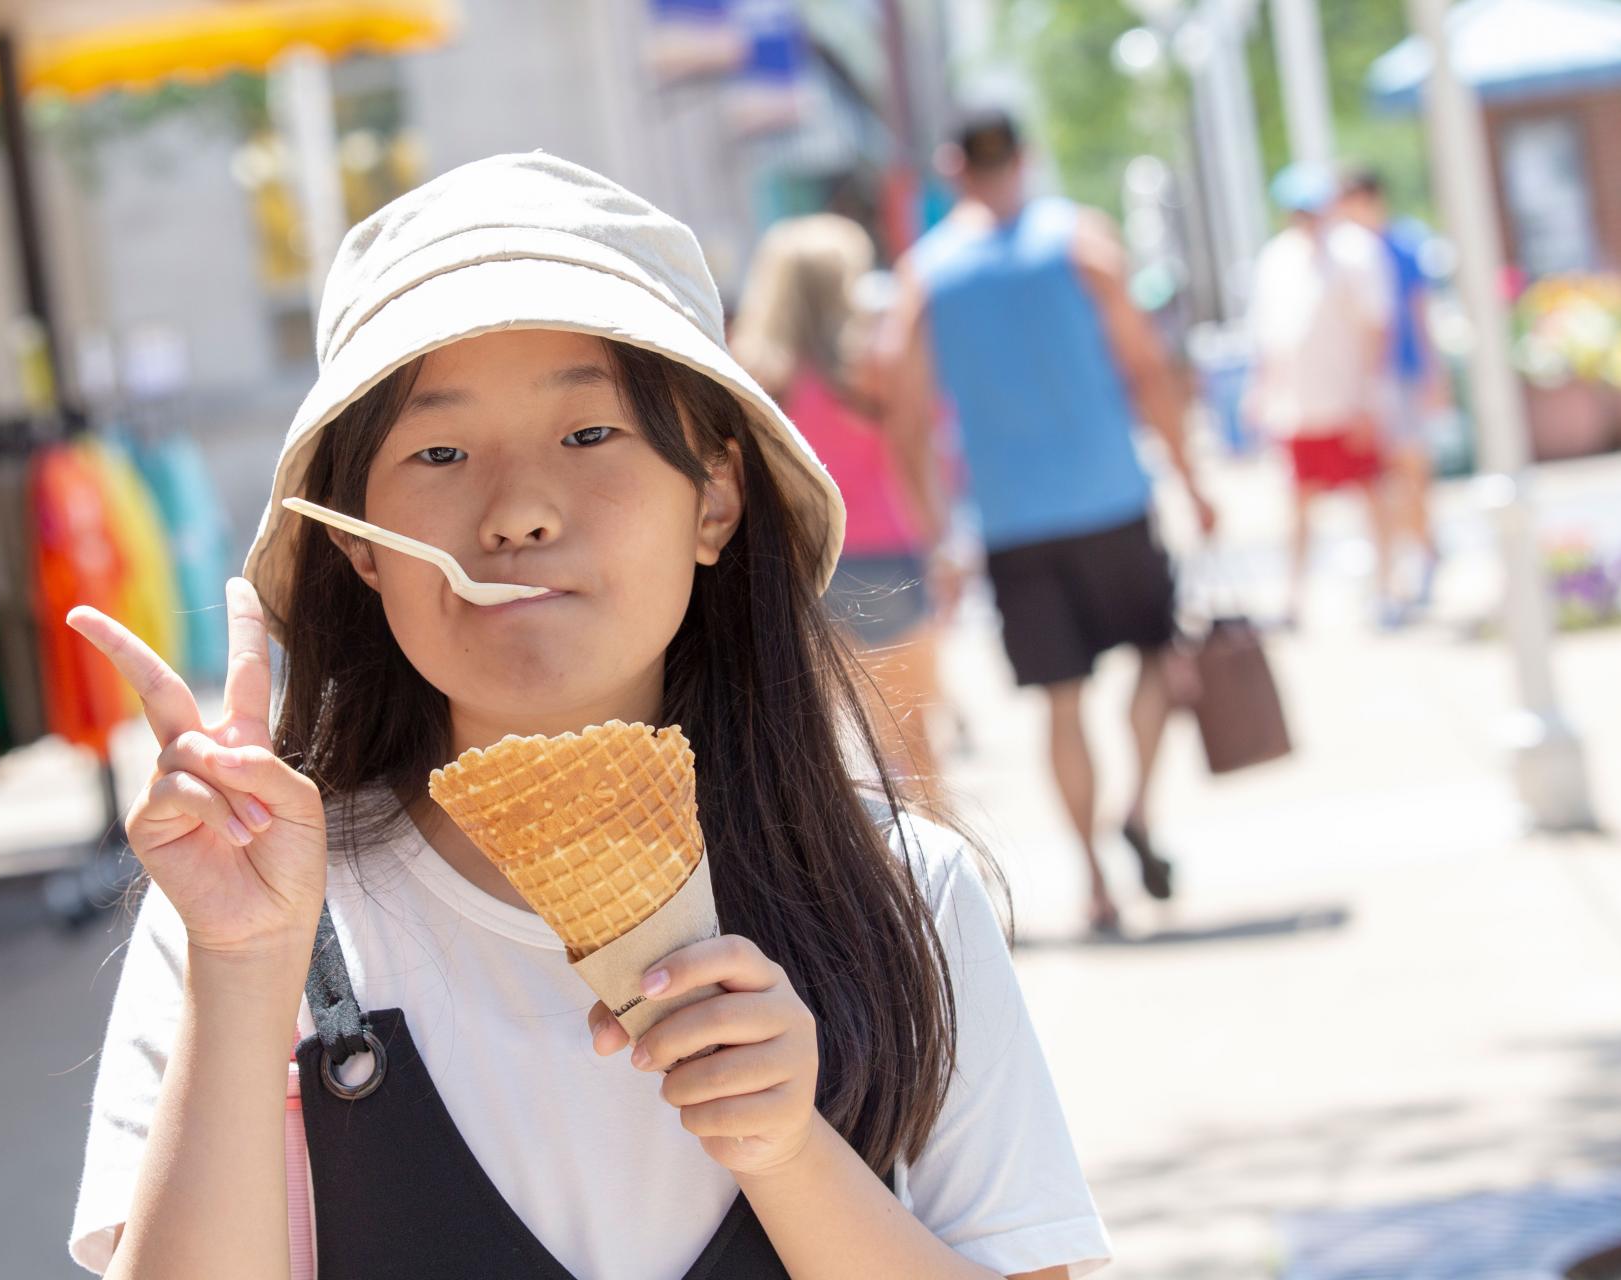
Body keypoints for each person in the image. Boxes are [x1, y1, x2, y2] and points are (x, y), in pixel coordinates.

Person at [63, 154, 1112, 1279]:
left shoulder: (901, 894)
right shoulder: (246, 911)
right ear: (360, 544)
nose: (517, 511)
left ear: (715, 497)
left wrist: (791, 1151)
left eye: (589, 435)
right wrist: (240, 965)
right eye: (439, 452)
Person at [884, 107, 1215, 938]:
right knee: (1158, 657)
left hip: (1012, 523)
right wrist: (1191, 476)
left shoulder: (927, 276)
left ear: (953, 167)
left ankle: (1094, 880)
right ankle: (1137, 809)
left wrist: (936, 532)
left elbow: (906, 416)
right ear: (1025, 157)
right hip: (1113, 499)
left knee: (1061, 704)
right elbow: (1146, 368)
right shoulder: (1083, 243)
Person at [730, 213, 944, 786]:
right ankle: (930, 843)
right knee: (913, 742)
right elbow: (919, 450)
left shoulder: (750, 376)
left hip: (793, 562)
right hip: (885, 555)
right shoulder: (874, 364)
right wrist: (942, 543)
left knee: (818, 757)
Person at [1244, 162, 1398, 628]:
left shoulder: (1356, 252)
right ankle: (1293, 598)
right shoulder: (1276, 259)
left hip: (1349, 400)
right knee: (1297, 504)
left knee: (1371, 496)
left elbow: (1377, 327)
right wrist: (1261, 391)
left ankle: (1386, 592)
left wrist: (1369, 396)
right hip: (1299, 406)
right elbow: (1269, 336)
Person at [1337, 166, 1445, 612]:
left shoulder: (1401, 245)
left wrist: (1433, 373)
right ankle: (1403, 555)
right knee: (1379, 477)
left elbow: (1419, 313)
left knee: (1410, 468)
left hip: (1401, 372)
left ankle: (1424, 549)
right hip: (1366, 382)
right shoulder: (1345, 252)